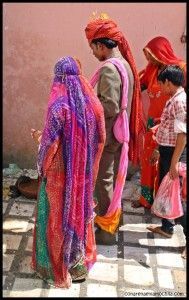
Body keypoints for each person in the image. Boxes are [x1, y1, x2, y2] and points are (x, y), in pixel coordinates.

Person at [31, 56, 106, 288]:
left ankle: (55, 265)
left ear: (59, 78)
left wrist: (40, 145)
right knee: (79, 213)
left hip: (59, 176)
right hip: (83, 174)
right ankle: (78, 262)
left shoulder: (59, 107)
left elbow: (50, 146)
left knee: (56, 217)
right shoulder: (93, 105)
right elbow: (101, 138)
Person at [85, 13, 144, 244]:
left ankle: (107, 230)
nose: (93, 53)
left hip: (109, 136)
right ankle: (112, 221)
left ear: (101, 46)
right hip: (120, 132)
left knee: (104, 181)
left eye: (93, 48)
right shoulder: (125, 65)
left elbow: (109, 105)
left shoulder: (110, 69)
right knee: (113, 178)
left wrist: (86, 104)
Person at [132, 36, 186, 209]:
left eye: (151, 55)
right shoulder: (152, 70)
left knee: (166, 164)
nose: (149, 60)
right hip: (152, 123)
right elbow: (140, 85)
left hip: (171, 125)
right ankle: (146, 200)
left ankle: (163, 203)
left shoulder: (180, 68)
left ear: (160, 53)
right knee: (149, 160)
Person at [146, 65, 186, 259]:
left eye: (161, 83)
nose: (159, 87)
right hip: (167, 151)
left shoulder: (179, 101)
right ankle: (167, 227)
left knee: (178, 197)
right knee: (167, 192)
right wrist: (157, 149)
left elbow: (182, 135)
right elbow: (168, 127)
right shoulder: (173, 99)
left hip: (173, 154)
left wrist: (174, 162)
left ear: (168, 82)